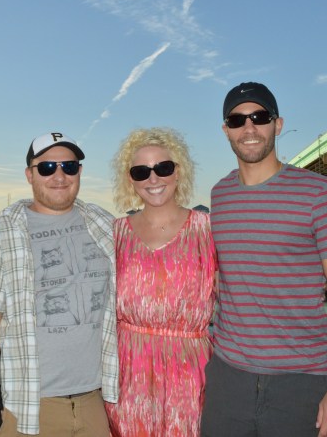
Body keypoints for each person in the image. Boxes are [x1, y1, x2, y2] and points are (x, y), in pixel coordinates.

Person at [202, 82, 327, 437]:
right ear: (226, 130)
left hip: (300, 382)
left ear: (278, 124)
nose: (249, 128)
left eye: (260, 117)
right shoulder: (220, 195)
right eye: (237, 120)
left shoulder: (319, 193)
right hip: (228, 379)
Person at [0, 131, 118, 437]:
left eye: (68, 167)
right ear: (29, 175)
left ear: (79, 172)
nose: (59, 176)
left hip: (95, 401)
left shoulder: (104, 223)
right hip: (28, 407)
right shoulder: (3, 232)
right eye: (47, 168)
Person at [105, 127, 217, 436]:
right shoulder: (114, 234)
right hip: (128, 375)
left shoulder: (208, 230)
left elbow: (240, 295)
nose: (153, 179)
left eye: (163, 168)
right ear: (131, 180)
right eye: (141, 172)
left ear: (178, 172)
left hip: (190, 376)